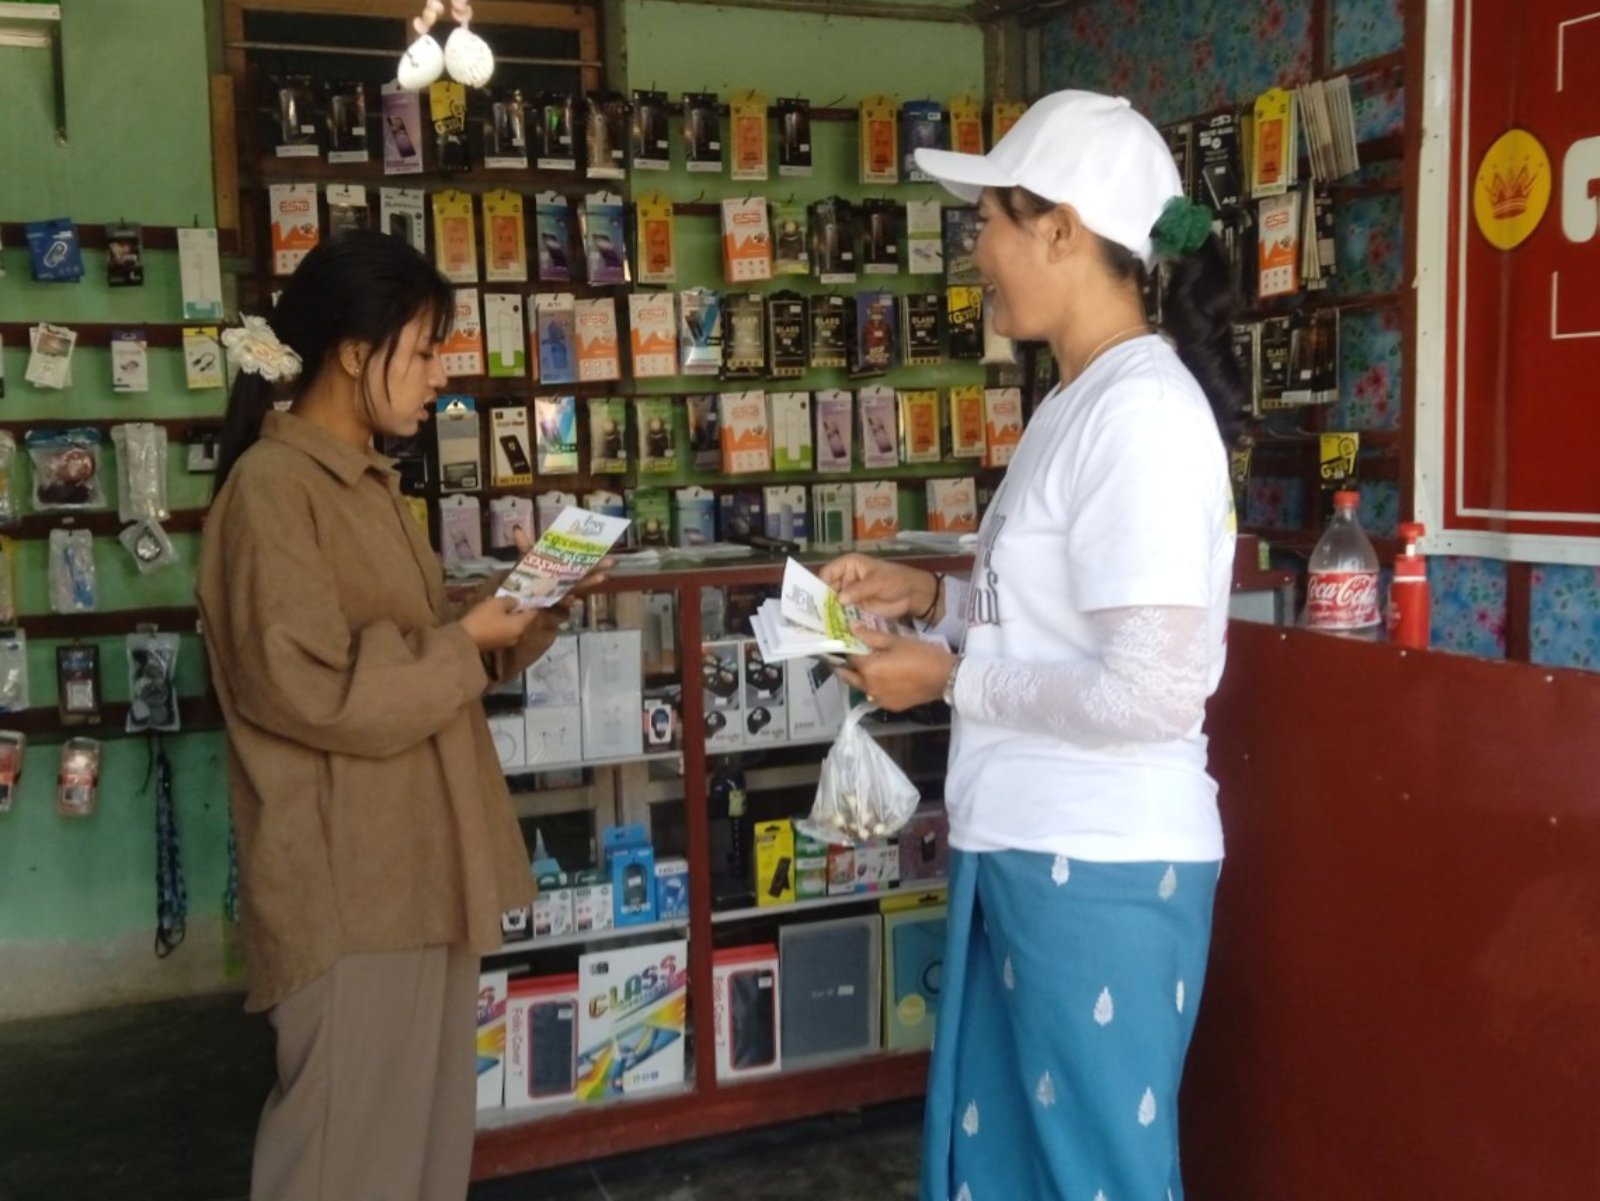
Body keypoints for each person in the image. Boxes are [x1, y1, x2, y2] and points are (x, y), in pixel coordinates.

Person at [822, 91, 1243, 1201]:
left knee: (1090, 1177)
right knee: (1008, 1170)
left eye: (990, 223)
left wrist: (951, 677)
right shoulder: (1076, 401)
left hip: (1096, 864)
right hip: (1030, 844)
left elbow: (1152, 691)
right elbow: (1052, 622)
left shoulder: (1141, 416)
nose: (978, 254)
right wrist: (931, 598)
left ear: (1061, 229)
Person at [197, 230, 587, 1201]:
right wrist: (463, 642)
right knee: (344, 1163)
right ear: (353, 352)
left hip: (419, 871)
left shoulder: (365, 480)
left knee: (419, 1159)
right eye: (422, 351)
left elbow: (418, 657)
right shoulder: (272, 492)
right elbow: (312, 688)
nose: (439, 376)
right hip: (351, 888)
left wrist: (516, 616)